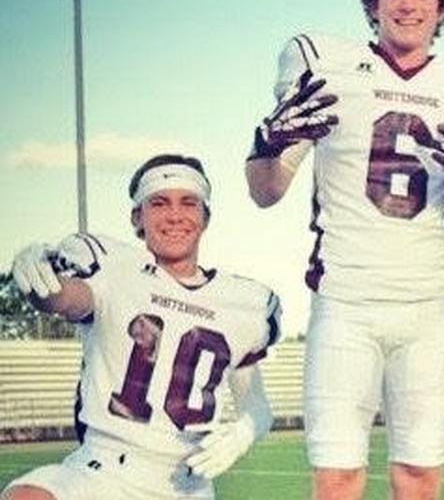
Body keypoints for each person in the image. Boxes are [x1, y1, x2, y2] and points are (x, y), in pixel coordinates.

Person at [244, 0, 444, 500]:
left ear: (443, 7)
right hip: (346, 303)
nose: (407, 4)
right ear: (372, 4)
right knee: (336, 478)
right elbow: (266, 191)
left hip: (426, 304)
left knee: (420, 478)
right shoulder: (330, 72)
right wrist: (268, 143)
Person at [2, 153, 280, 500]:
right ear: (138, 217)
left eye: (189, 203)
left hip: (186, 486)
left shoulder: (245, 302)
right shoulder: (114, 269)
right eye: (159, 203)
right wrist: (40, 284)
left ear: (205, 216)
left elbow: (257, 405)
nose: (175, 215)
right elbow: (69, 299)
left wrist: (243, 434)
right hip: (100, 473)